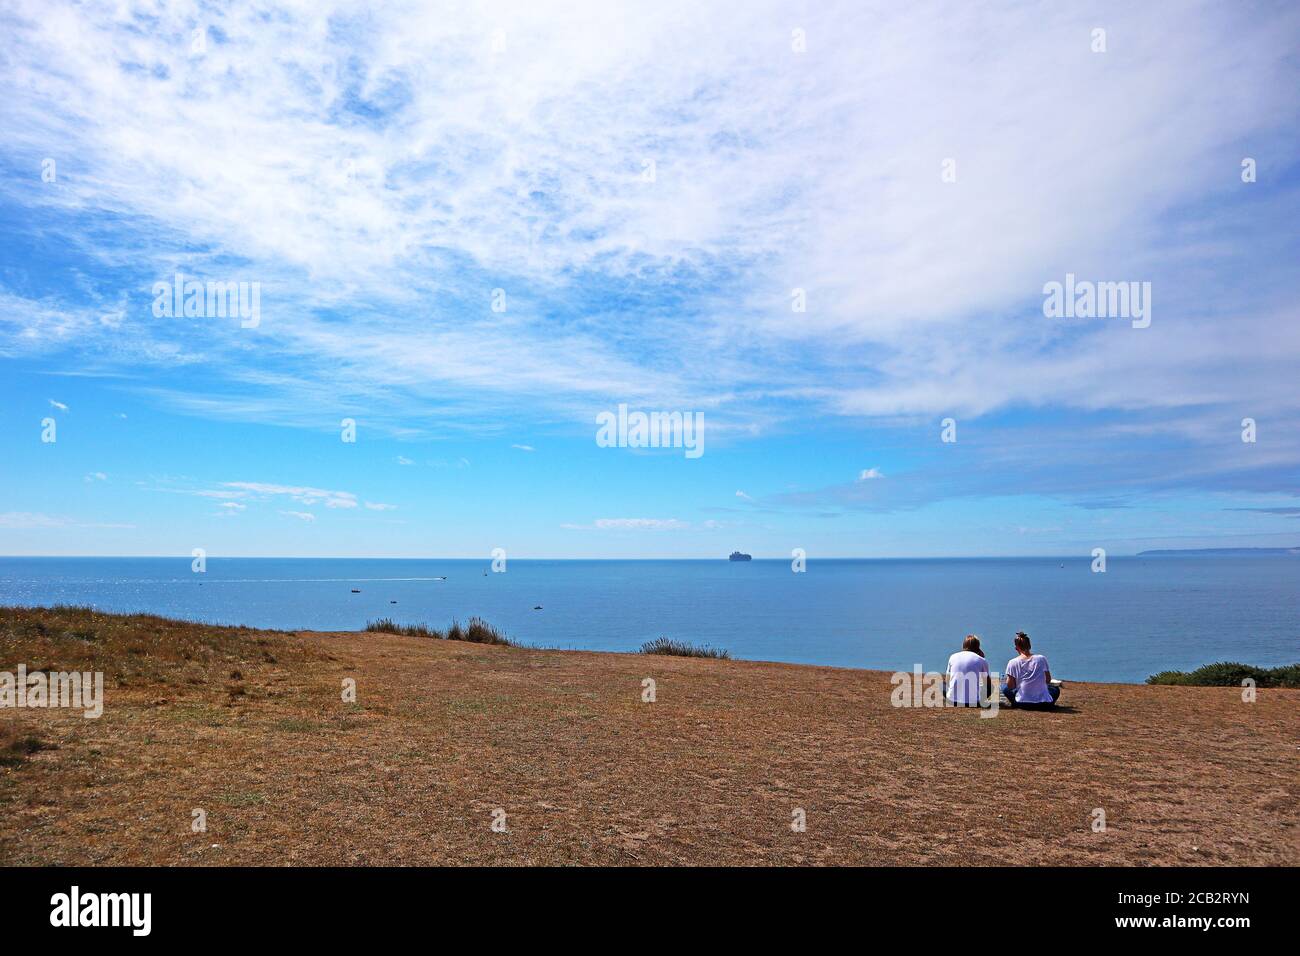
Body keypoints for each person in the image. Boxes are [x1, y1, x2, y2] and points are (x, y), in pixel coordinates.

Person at [1002, 631, 1060, 708]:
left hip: (1022, 703)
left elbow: (1010, 686)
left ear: (1016, 648)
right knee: (1055, 689)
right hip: (1044, 703)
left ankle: (1016, 703)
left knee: (1004, 687)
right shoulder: (1041, 659)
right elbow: (1048, 680)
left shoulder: (1012, 662)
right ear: (1030, 646)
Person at [945, 634, 990, 707]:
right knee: (991, 686)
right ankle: (981, 700)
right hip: (974, 702)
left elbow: (947, 680)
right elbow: (988, 684)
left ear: (963, 646)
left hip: (952, 701)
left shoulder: (953, 657)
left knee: (942, 685)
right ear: (978, 648)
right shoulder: (982, 660)